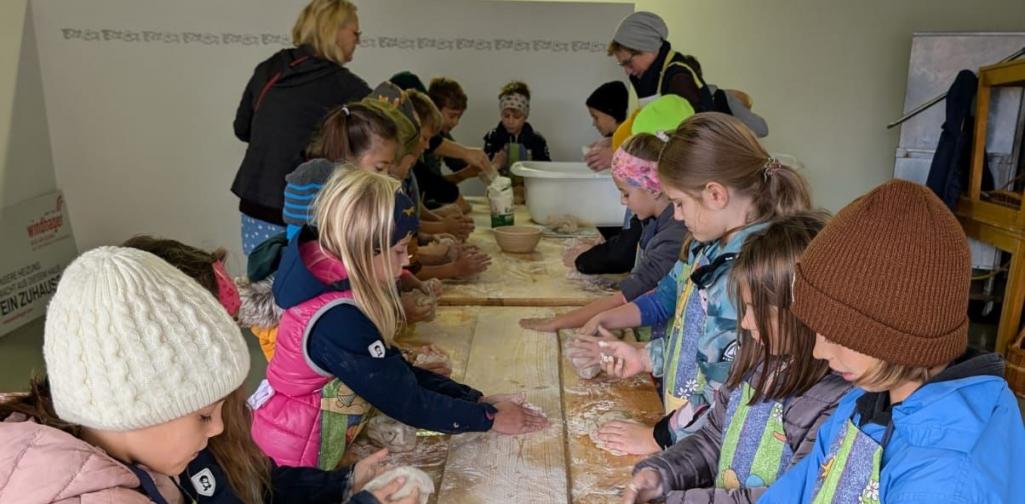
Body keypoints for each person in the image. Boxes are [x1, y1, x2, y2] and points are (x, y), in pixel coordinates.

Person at [250, 169, 547, 470]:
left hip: (311, 439)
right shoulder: (337, 320)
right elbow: (405, 400)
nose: (406, 261)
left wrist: (475, 401)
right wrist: (489, 420)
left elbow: (395, 372)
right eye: (399, 250)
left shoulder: (335, 285)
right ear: (366, 248)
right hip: (295, 456)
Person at [759, 180, 1025, 503]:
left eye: (837, 335)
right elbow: (798, 489)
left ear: (901, 340)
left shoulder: (943, 483)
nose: (819, 351)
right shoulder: (862, 402)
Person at [570, 113, 811, 455]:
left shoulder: (743, 274)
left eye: (680, 203)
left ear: (715, 194)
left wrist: (657, 438)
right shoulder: (706, 246)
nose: (677, 216)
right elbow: (689, 336)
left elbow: (721, 389)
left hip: (715, 449)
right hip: (687, 430)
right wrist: (646, 357)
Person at [619, 213, 851, 504]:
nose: (745, 323)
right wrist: (661, 475)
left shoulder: (834, 404)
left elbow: (784, 497)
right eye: (746, 307)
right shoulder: (754, 362)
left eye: (758, 309)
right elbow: (712, 441)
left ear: (802, 313)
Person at [231, 0, 371, 254]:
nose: (358, 41)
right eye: (355, 33)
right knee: (304, 290)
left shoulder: (269, 69)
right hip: (306, 208)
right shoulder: (347, 87)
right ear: (334, 31)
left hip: (256, 201)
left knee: (261, 286)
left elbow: (242, 129)